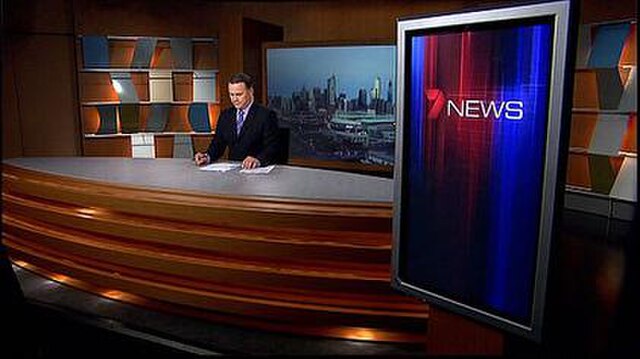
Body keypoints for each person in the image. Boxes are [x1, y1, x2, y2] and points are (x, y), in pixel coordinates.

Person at [194, 72, 280, 169]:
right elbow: (218, 144)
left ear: (250, 91)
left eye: (239, 94)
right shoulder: (226, 115)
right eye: (231, 94)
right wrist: (207, 156)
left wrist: (258, 159)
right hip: (233, 171)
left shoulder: (266, 115)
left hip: (257, 171)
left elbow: (272, 147)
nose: (234, 99)